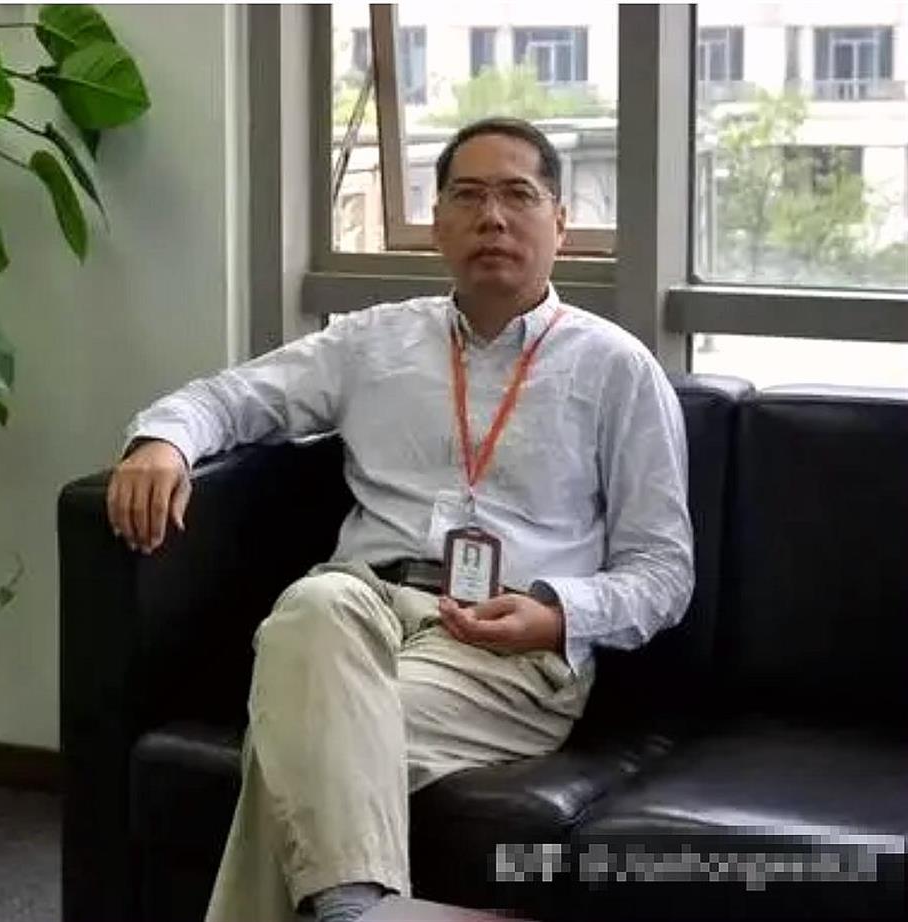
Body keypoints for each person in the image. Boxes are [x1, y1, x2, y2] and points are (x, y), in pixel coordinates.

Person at [107, 117, 693, 922]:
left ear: (560, 223)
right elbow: (229, 398)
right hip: (360, 611)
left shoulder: (618, 369)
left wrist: (558, 613)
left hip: (503, 648)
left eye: (518, 196)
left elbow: (664, 572)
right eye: (469, 196)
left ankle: (352, 907)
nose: (493, 217)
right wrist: (163, 443)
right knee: (311, 603)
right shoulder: (373, 342)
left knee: (302, 743)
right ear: (438, 224)